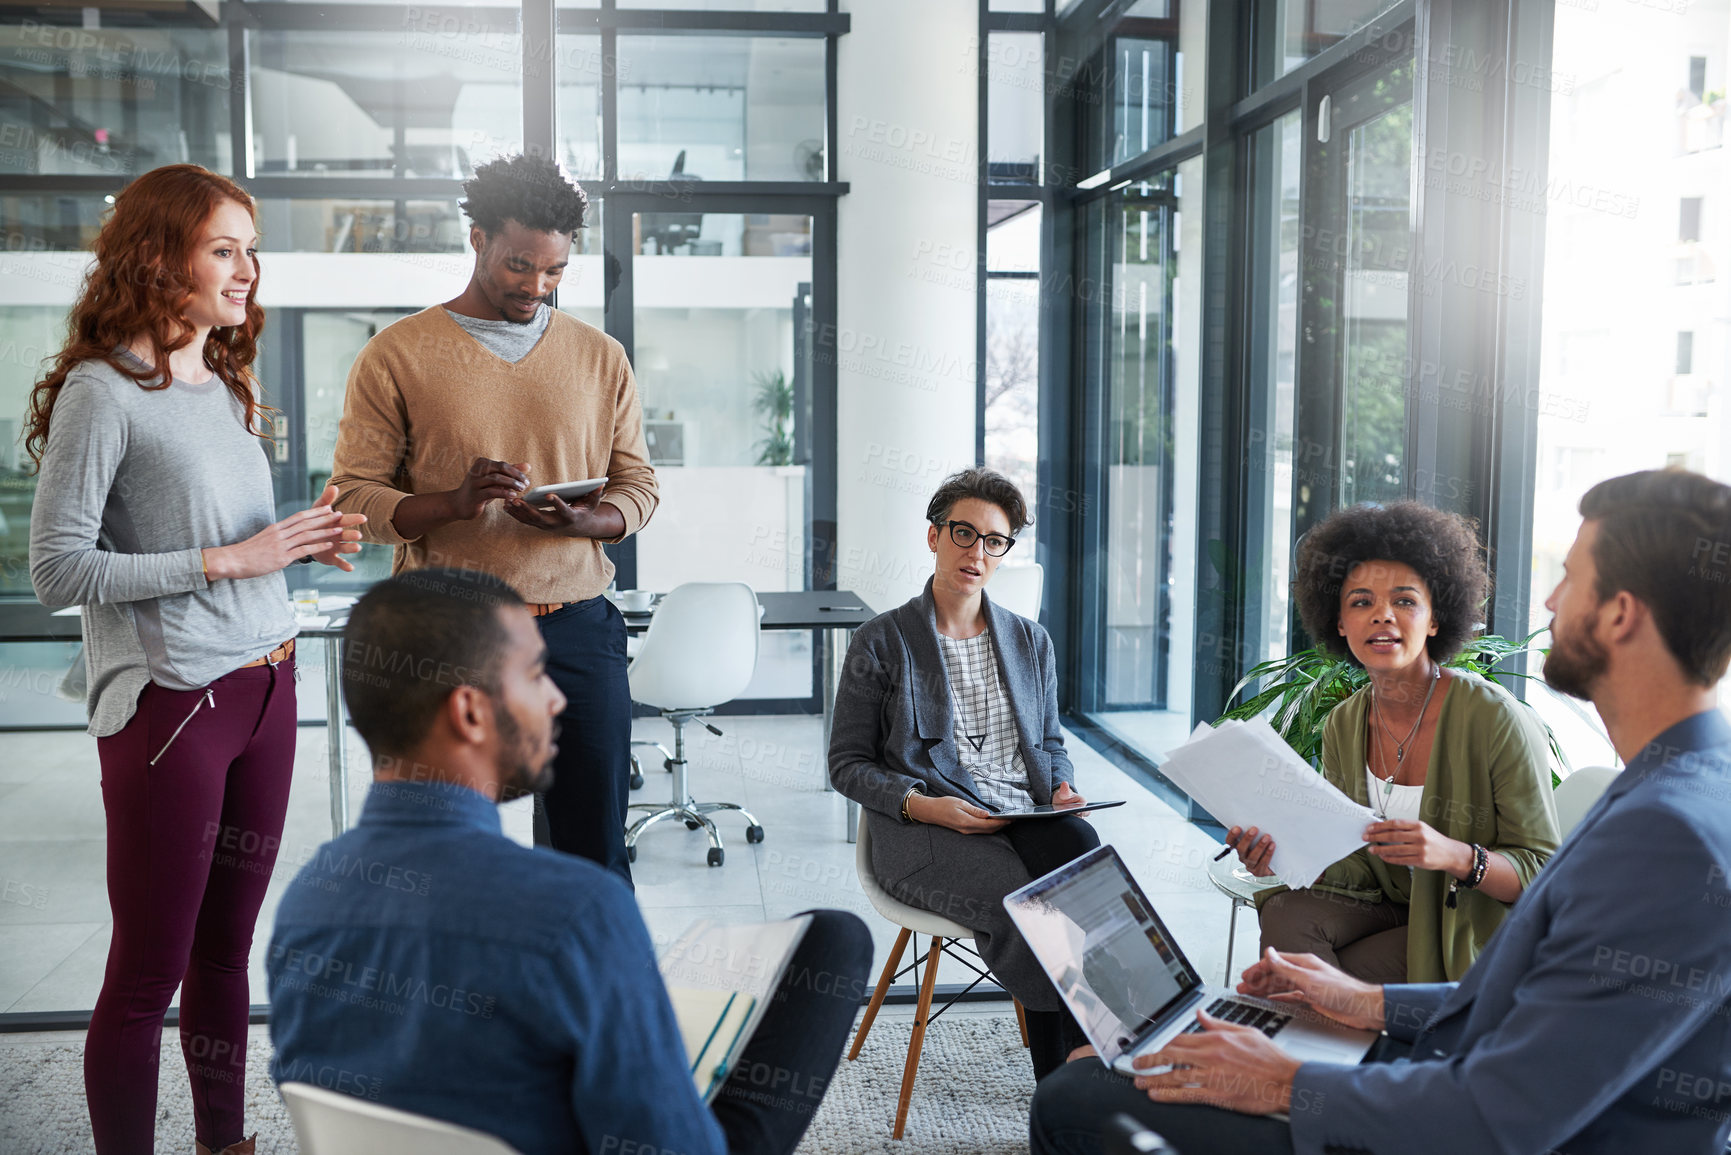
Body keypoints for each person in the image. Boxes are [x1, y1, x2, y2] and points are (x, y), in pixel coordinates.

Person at [1029, 469, 1731, 1155]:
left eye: (1570, 576)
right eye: (1360, 600)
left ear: (1619, 612)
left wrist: (1285, 1081)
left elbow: (1499, 1116)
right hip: (1472, 1069)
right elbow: (1529, 1006)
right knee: (1133, 1053)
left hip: (1476, 1114)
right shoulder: (1679, 784)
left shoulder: (1666, 836)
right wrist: (1365, 1003)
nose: (1548, 597)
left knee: (1075, 1097)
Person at [267, 568, 871, 1154]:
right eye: (535, 674)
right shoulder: (578, 909)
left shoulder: (307, 899)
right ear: (470, 711)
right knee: (835, 940)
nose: (557, 697)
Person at [25, 164, 364, 1155]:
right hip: (177, 702)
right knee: (147, 974)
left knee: (226, 957)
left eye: (250, 249)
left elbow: (231, 538)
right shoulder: (102, 391)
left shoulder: (222, 380)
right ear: (160, 256)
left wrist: (298, 541)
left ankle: (227, 1146)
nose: (248, 269)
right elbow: (57, 569)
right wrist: (231, 559)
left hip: (269, 680)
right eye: (225, 248)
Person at [329, 153, 656, 887]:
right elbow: (353, 497)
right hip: (449, 633)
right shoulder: (396, 355)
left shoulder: (601, 357)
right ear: (476, 238)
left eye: (553, 271)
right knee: (438, 849)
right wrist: (452, 502)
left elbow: (639, 485)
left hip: (575, 626)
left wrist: (586, 522)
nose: (535, 287)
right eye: (518, 265)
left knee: (593, 852)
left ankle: (586, 997)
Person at [830, 468, 1101, 1079]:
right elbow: (846, 766)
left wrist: (1059, 785)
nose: (976, 552)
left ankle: (1097, 1056)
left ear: (1005, 553)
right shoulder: (882, 641)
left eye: (994, 541)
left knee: (1084, 854)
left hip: (1020, 810)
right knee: (1032, 906)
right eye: (962, 533)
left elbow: (1050, 742)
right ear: (933, 536)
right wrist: (925, 805)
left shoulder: (1030, 641)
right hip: (929, 829)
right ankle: (1065, 1083)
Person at [1225, 502, 1559, 983]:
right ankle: (1307, 1044)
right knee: (1285, 913)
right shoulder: (1345, 722)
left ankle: (1301, 1045)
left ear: (1436, 619)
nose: (1382, 615)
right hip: (1390, 909)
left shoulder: (1493, 717)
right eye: (1361, 602)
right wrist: (1279, 858)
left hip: (1472, 921)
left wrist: (1454, 854)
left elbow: (1543, 875)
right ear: (1339, 623)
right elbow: (1358, 865)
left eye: (1405, 601)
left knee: (1326, 977)